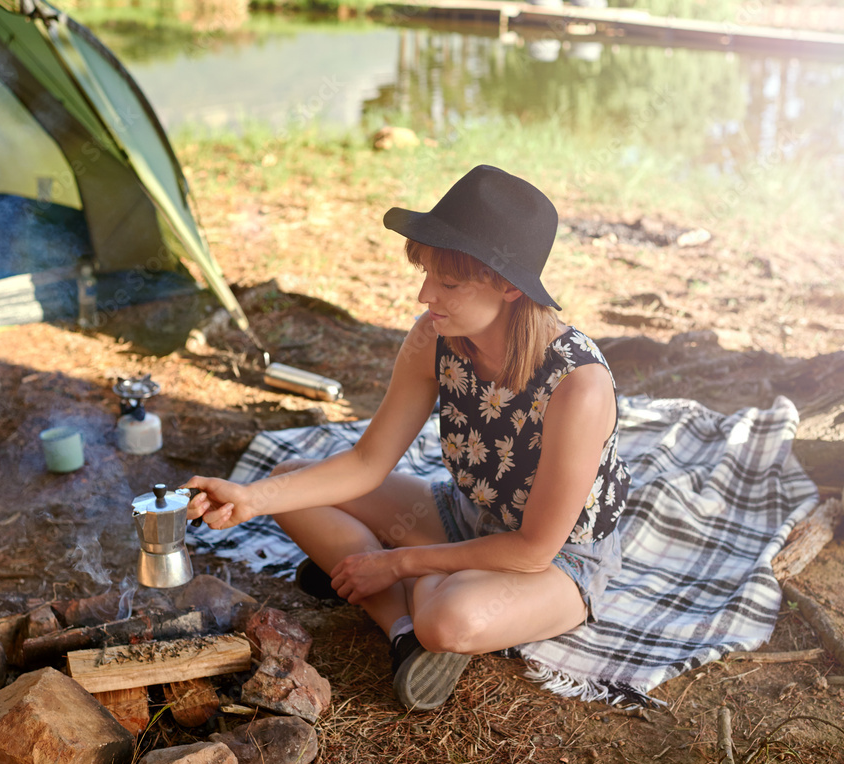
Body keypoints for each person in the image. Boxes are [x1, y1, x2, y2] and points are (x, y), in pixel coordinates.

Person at [187, 165, 630, 711]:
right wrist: (249, 501)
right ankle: (401, 631)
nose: (425, 294)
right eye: (426, 273)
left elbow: (534, 548)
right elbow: (367, 462)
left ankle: (392, 580)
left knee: (448, 619)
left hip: (554, 562)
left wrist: (399, 562)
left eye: (449, 282)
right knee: (285, 482)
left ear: (510, 286)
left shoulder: (577, 385)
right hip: (465, 516)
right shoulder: (435, 340)